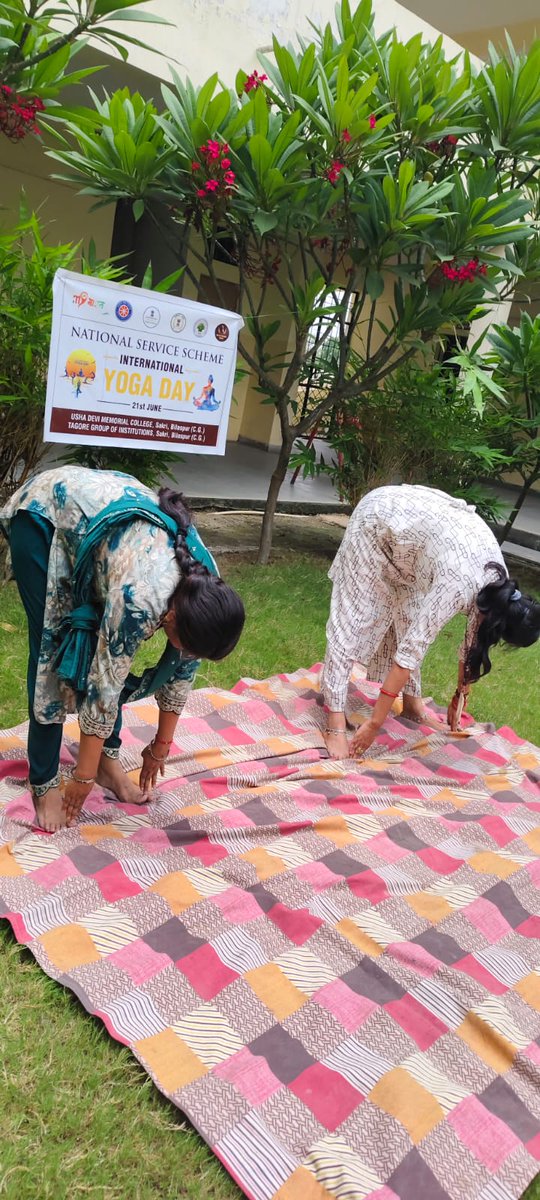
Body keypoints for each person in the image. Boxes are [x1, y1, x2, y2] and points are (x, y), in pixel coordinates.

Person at [0, 467, 245, 832]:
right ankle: (45, 780)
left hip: (109, 537)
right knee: (52, 648)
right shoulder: (140, 598)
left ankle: (105, 762)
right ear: (172, 615)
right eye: (189, 647)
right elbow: (105, 685)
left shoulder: (205, 583)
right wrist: (78, 780)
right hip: (46, 516)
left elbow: (180, 671)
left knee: (110, 648)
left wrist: (161, 745)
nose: (189, 657)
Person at [322, 484, 540, 759]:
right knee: (353, 620)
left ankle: (412, 706)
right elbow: (408, 655)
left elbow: (475, 636)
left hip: (412, 549)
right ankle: (335, 722)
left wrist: (460, 695)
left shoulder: (502, 590)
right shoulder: (459, 586)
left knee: (409, 616)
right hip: (376, 522)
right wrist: (374, 724)